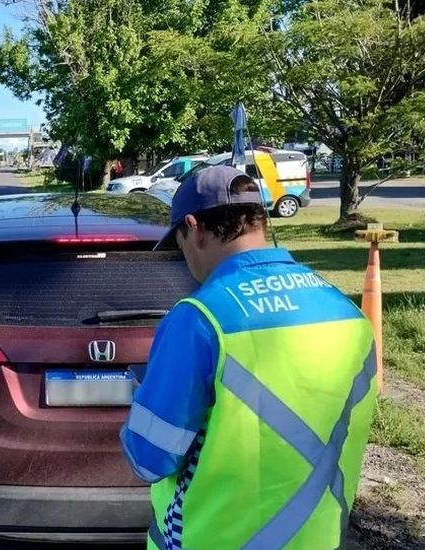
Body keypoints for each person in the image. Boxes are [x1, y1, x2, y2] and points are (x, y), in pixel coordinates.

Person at [121, 165, 377, 549]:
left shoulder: (199, 319)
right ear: (259, 220)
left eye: (179, 242)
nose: (185, 256)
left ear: (195, 227)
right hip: (318, 539)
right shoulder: (348, 313)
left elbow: (150, 459)